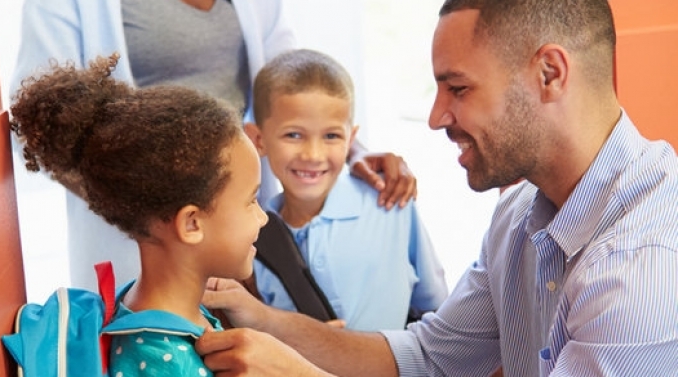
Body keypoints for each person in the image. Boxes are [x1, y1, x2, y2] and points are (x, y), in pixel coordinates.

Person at [195, 0, 678, 376]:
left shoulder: (643, 263)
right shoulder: (518, 214)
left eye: (459, 89)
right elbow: (429, 358)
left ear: (549, 74)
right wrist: (263, 322)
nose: (435, 117)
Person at [11, 0, 418, 291]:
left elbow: (289, 82)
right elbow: (39, 124)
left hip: (236, 216)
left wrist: (351, 148)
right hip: (156, 231)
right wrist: (152, 212)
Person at [10, 53, 273, 375]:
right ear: (191, 223)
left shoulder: (148, 310)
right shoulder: (169, 364)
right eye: (251, 200)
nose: (263, 217)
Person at [244, 49, 448, 331]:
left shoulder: (389, 203)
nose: (313, 154)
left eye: (331, 136)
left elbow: (437, 309)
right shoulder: (253, 234)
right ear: (258, 139)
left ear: (351, 138)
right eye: (293, 135)